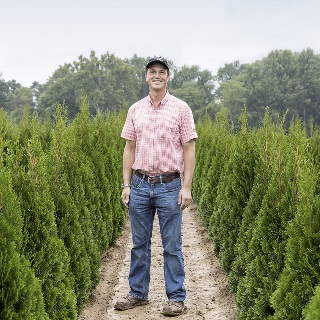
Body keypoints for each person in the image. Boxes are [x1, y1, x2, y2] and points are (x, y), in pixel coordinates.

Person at [114, 56, 198, 317]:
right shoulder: (135, 109)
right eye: (153, 71)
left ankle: (176, 297)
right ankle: (138, 293)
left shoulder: (181, 109)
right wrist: (126, 184)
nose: (157, 75)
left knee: (172, 245)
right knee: (139, 244)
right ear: (146, 77)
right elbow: (129, 148)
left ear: (168, 77)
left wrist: (186, 187)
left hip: (170, 185)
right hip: (139, 185)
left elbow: (189, 149)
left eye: (162, 71)